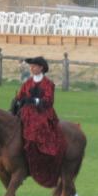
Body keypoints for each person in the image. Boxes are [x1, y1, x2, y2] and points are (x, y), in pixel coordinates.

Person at [11, 56, 66, 188]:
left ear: (41, 68)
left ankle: (41, 156)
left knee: (38, 126)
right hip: (26, 113)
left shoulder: (48, 84)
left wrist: (34, 101)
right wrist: (17, 102)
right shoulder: (27, 83)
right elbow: (20, 96)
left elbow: (49, 101)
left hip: (43, 113)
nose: (31, 68)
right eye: (31, 66)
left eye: (34, 66)